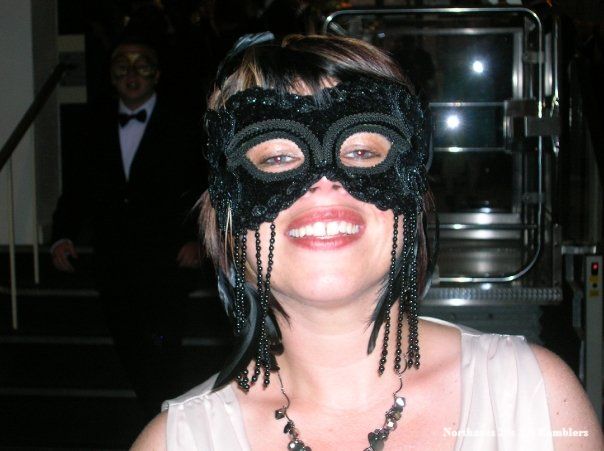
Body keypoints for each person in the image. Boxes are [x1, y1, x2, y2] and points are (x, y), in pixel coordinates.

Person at [132, 34, 602, 450]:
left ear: (412, 197)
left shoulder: (534, 400)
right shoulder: (176, 443)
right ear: (228, 219)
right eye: (276, 159)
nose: (323, 184)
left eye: (360, 152)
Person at [51, 36, 205, 419]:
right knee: (128, 342)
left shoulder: (183, 122)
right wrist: (62, 234)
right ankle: (152, 413)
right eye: (122, 66)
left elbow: (201, 186)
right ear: (111, 76)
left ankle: (163, 417)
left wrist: (196, 239)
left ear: (157, 74)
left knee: (164, 344)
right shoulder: (92, 124)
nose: (132, 74)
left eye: (142, 65)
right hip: (114, 259)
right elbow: (78, 187)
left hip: (168, 258)